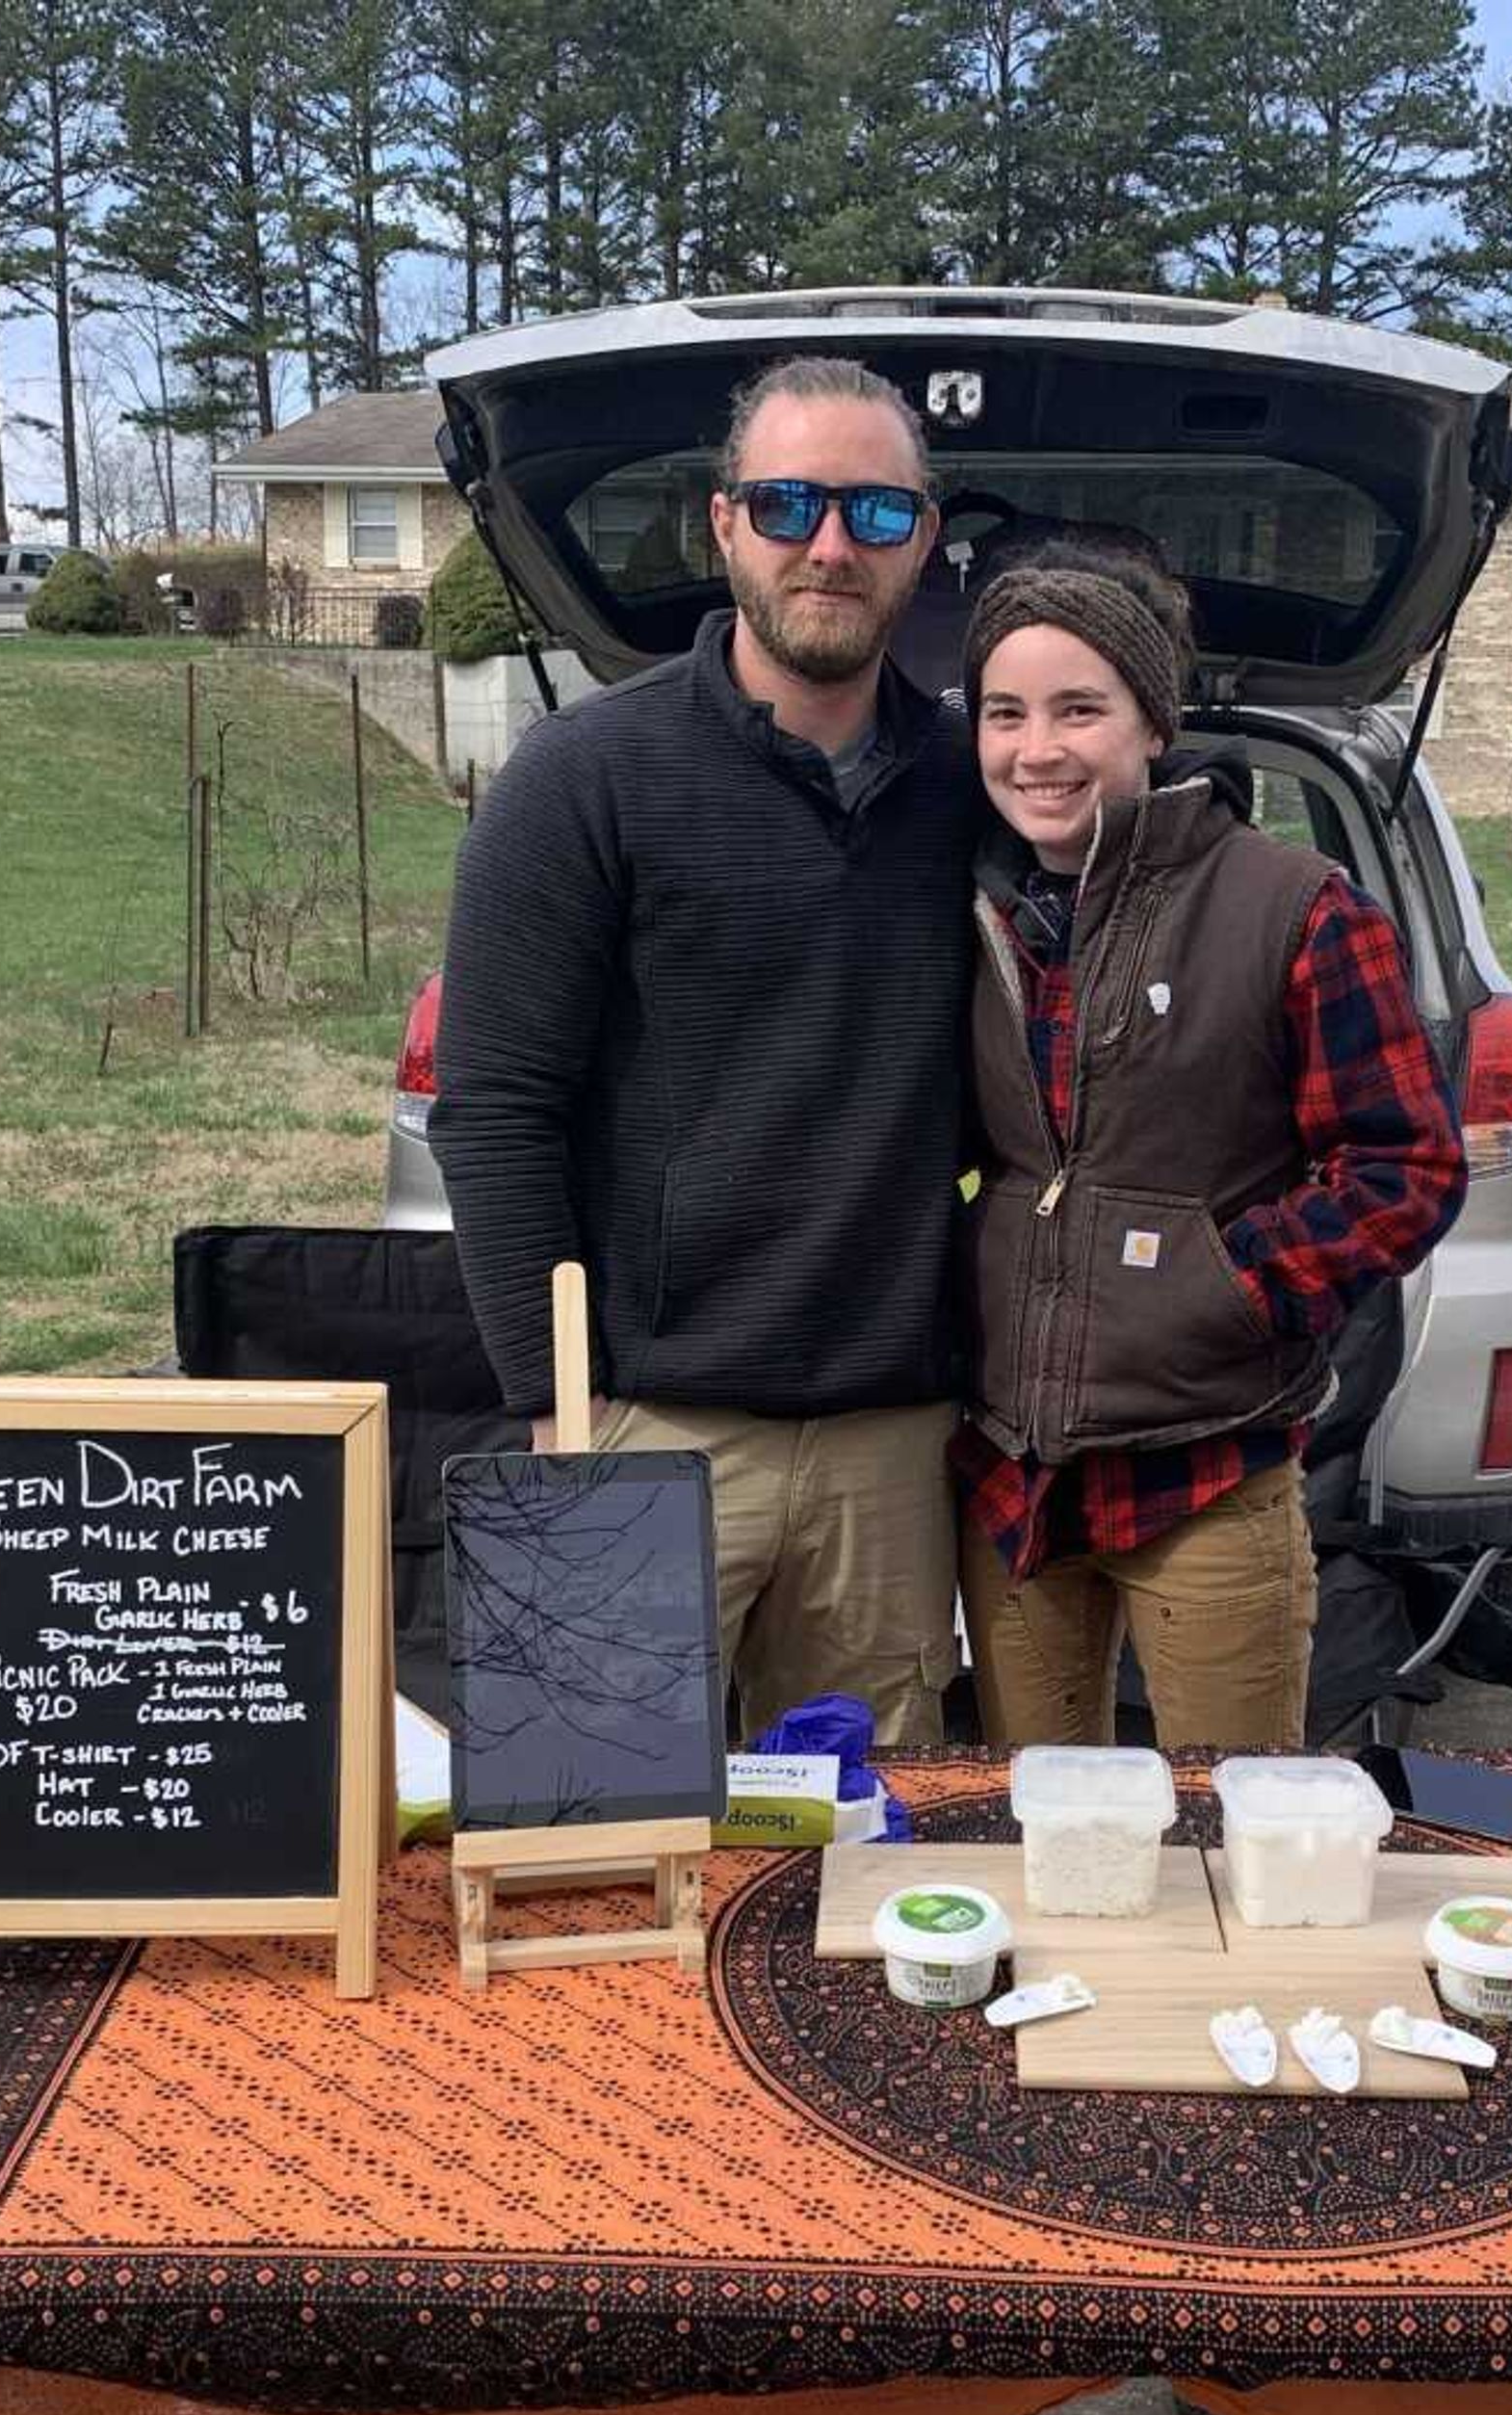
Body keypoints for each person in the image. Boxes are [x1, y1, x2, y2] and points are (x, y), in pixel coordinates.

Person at [430, 357, 978, 1740]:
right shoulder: (582, 779)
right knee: (589, 1827)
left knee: (860, 1855)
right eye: (791, 504)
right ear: (725, 523)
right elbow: (494, 1112)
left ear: (927, 538)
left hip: (891, 1444)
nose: (832, 547)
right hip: (642, 1421)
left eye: (876, 513)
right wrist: (558, 1413)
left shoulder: (976, 787)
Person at [954, 540, 1465, 1747]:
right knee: (1041, 1812)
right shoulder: (971, 912)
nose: (1038, 750)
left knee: (1231, 1828)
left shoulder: (1296, 906)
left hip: (1207, 1469)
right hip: (1010, 1474)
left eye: (1081, 709)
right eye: (1005, 712)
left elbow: (1408, 1169)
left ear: (1150, 724)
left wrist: (1229, 1289)